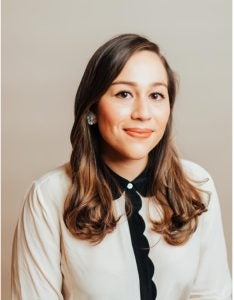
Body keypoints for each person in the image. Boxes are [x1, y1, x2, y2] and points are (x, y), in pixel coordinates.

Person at [11, 34, 231, 300]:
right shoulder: (48, 196)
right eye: (124, 93)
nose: (143, 112)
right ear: (92, 108)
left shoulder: (198, 184)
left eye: (156, 95)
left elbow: (214, 294)